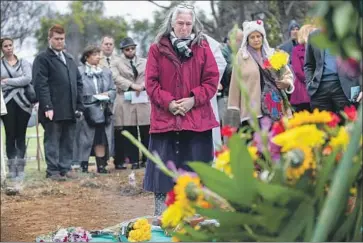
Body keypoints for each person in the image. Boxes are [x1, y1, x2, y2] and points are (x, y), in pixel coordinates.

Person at [143, 4, 219, 216]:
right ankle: (162, 219)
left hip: (196, 121)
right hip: (165, 121)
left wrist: (192, 100)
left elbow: (212, 80)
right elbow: (151, 83)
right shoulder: (157, 49)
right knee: (162, 177)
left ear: (193, 25)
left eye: (188, 23)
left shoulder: (203, 47)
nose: (184, 27)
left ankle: (197, 219)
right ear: (172, 23)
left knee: (196, 175)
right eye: (180, 23)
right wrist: (169, 103)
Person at [33, 24, 84, 181]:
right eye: (56, 39)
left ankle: (65, 168)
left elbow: (78, 83)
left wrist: (79, 105)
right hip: (52, 108)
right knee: (53, 140)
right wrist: (47, 106)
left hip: (70, 108)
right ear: (50, 39)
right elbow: (40, 84)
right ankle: (53, 171)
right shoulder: (42, 59)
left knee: (68, 140)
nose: (60, 42)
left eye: (62, 39)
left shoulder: (69, 58)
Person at [226, 20, 294, 129]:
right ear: (247, 39)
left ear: (263, 37)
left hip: (275, 107)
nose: (256, 39)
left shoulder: (272, 54)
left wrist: (287, 82)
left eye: (258, 36)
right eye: (252, 37)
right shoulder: (241, 57)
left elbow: (287, 74)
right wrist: (234, 108)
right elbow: (235, 83)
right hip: (252, 111)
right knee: (257, 143)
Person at [74, 45, 116, 173]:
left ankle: (101, 165)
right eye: (95, 54)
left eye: (99, 54)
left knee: (100, 137)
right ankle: (83, 165)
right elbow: (76, 90)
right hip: (86, 110)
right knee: (84, 138)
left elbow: (113, 89)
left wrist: (107, 95)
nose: (98, 57)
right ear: (87, 57)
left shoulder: (106, 72)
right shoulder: (79, 72)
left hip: (102, 110)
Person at [111, 37, 150, 170]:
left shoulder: (145, 62)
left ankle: (147, 158)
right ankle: (134, 160)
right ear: (123, 51)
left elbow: (150, 75)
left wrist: (143, 85)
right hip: (126, 98)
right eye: (127, 49)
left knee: (146, 129)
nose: (130, 51)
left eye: (132, 48)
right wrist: (132, 85)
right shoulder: (116, 63)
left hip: (142, 98)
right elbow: (115, 77)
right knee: (130, 130)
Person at [304, 29, 362, 112]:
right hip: (319, 89)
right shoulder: (314, 35)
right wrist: (309, 84)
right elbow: (309, 65)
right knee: (321, 123)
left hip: (345, 88)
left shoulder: (349, 30)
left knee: (347, 123)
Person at [0, 37, 33, 183]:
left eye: (10, 45)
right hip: (7, 103)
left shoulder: (24, 62)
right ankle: (12, 168)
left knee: (21, 135)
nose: (8, 48)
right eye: (5, 46)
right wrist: (17, 82)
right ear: (2, 48)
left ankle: (21, 168)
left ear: (14, 46)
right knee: (10, 135)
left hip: (24, 104)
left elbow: (28, 79)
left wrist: (7, 81)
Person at [204, 34, 227, 150]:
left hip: (205, 95)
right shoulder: (169, 39)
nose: (185, 26)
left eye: (188, 23)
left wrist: (208, 81)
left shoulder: (205, 40)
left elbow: (220, 63)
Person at [290, 24, 316, 112]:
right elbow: (297, 71)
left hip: (317, 86)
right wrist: (310, 80)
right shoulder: (296, 50)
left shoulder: (316, 48)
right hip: (303, 87)